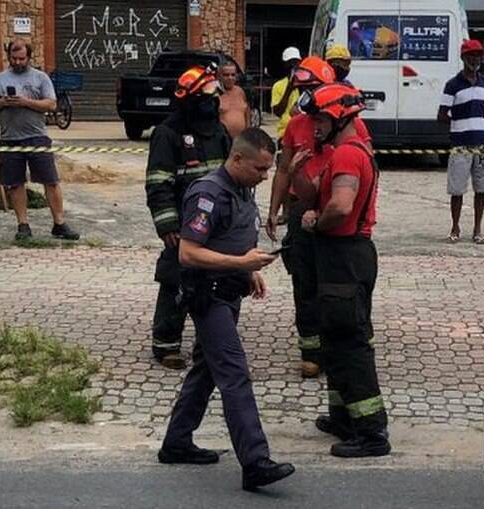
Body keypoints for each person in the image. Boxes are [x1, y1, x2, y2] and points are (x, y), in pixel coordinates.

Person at [159, 128, 295, 491]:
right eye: (260, 169)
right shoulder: (207, 193)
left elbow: (236, 234)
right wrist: (239, 262)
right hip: (208, 295)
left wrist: (248, 270)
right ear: (236, 159)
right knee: (234, 374)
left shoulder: (241, 188)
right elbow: (188, 252)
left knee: (206, 369)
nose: (265, 177)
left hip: (230, 289)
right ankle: (255, 462)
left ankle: (176, 442)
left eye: (268, 170)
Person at [299, 83, 390, 458]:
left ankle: (371, 433)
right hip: (342, 257)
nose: (314, 126)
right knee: (334, 339)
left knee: (350, 344)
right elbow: (311, 193)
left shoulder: (349, 156)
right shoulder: (342, 153)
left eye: (319, 119)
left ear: (339, 116)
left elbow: (339, 205)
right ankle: (343, 415)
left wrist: (315, 223)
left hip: (345, 257)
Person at [266, 56, 364, 378]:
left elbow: (359, 176)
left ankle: (341, 344)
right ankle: (311, 349)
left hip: (334, 215)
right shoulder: (296, 126)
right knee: (304, 282)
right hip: (301, 210)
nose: (306, 97)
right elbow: (284, 170)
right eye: (302, 89)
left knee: (336, 284)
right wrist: (274, 210)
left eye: (312, 88)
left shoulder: (350, 128)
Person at [145, 64, 232, 370]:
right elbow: (158, 183)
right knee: (175, 280)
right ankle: (166, 343)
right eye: (207, 96)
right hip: (183, 223)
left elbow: (231, 176)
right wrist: (167, 223)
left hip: (217, 223)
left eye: (214, 96)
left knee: (217, 280)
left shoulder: (219, 131)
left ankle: (210, 339)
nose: (213, 102)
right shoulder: (168, 134)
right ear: (191, 99)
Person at [0, 39, 80, 241]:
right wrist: (2, 102)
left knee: (51, 181)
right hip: (9, 139)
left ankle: (59, 223)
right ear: (8, 56)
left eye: (21, 58)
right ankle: (23, 225)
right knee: (15, 183)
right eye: (13, 58)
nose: (17, 62)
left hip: (37, 137)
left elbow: (52, 105)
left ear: (29, 57)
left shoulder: (40, 78)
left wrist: (25, 102)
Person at [437, 39, 484, 245]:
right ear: (463, 58)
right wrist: (460, 121)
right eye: (471, 56)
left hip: (481, 142)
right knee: (457, 189)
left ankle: (477, 230)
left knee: (481, 188)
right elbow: (441, 115)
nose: (475, 59)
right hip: (460, 143)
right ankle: (455, 227)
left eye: (478, 56)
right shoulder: (452, 85)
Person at [271, 47, 303, 139]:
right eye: (290, 62)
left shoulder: (306, 84)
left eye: (295, 62)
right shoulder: (278, 85)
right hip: (284, 133)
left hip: (302, 131)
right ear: (285, 64)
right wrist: (289, 89)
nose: (293, 65)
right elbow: (277, 112)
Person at [218, 61, 251, 139]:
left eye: (233, 75)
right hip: (222, 142)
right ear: (219, 76)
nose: (230, 78)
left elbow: (247, 112)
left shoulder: (240, 91)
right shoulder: (215, 94)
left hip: (240, 141)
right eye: (226, 75)